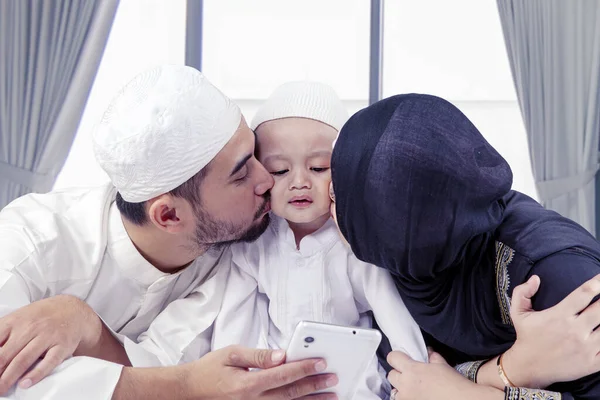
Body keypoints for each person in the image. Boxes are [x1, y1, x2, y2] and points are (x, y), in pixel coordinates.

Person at [0, 65, 337, 399]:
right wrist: (184, 386)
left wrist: (89, 328)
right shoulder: (29, 239)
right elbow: (12, 384)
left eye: (256, 155)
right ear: (169, 215)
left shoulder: (236, 249)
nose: (267, 180)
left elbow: (158, 364)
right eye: (240, 173)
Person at [329, 93, 600, 399]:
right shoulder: (401, 264)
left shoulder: (553, 275)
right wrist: (510, 370)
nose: (329, 203)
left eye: (339, 195)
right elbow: (418, 380)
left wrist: (469, 395)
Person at [211, 81, 427, 399]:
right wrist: (234, 382)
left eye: (317, 167)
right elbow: (235, 323)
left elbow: (394, 316)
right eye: (280, 170)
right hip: (279, 379)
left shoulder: (354, 245)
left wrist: (418, 377)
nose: (300, 182)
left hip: (352, 380)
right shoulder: (255, 244)